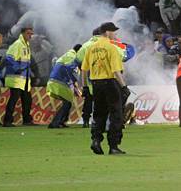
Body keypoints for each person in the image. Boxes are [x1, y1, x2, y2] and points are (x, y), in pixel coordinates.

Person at [81, 22, 130, 155]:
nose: (115, 34)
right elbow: (116, 71)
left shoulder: (90, 48)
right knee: (116, 114)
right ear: (107, 32)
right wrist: (124, 87)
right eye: (113, 31)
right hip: (110, 84)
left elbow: (84, 70)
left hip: (96, 84)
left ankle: (96, 140)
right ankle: (113, 146)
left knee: (98, 114)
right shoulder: (111, 48)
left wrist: (85, 86)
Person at [3, 27, 34, 127]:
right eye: (29, 33)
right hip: (16, 78)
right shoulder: (18, 44)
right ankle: (7, 121)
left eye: (31, 34)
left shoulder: (26, 45)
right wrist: (17, 68)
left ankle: (26, 120)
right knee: (14, 99)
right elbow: (9, 57)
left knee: (27, 100)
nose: (30, 36)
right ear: (23, 33)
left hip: (23, 79)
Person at [46, 44, 81, 129]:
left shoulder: (69, 55)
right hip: (60, 81)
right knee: (67, 103)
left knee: (67, 103)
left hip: (58, 81)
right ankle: (55, 123)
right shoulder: (72, 56)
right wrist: (74, 84)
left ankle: (61, 122)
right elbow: (69, 69)